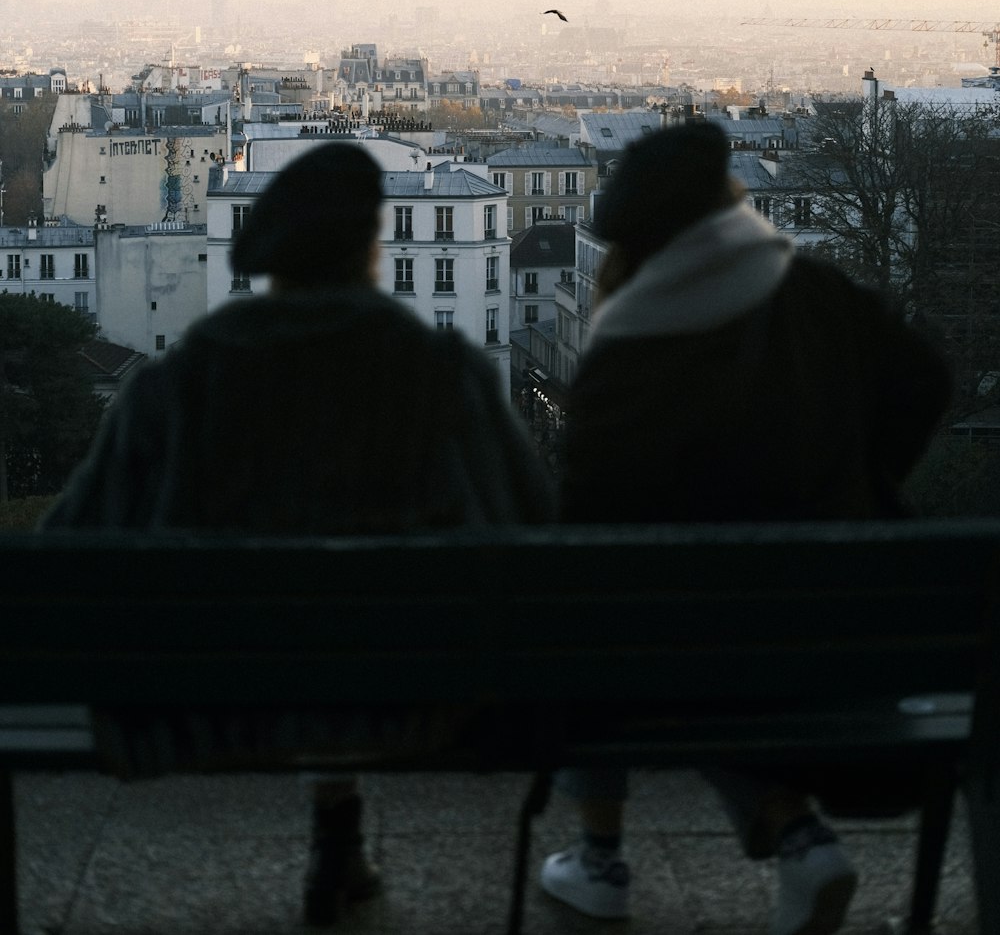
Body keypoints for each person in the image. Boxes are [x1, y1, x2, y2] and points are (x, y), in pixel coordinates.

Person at [42, 142, 554, 925]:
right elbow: (533, 532)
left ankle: (336, 837)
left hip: (213, 701)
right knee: (357, 631)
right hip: (425, 696)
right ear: (374, 250)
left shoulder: (178, 380)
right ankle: (339, 836)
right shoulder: (440, 369)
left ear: (264, 256)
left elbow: (71, 543)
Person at [539, 122, 952, 935]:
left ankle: (603, 858)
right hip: (850, 627)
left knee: (601, 634)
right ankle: (793, 835)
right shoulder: (816, 291)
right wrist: (861, 481)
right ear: (732, 207)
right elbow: (926, 381)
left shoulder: (622, 364)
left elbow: (589, 545)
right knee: (711, 635)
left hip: (700, 652)